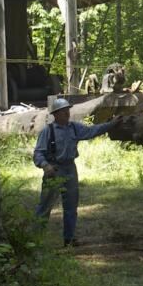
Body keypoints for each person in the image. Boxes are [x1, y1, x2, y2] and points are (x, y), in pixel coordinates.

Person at [33, 98, 121, 247]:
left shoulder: (74, 128)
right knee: (45, 206)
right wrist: (45, 166)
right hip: (54, 170)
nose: (67, 113)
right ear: (56, 114)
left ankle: (69, 238)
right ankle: (35, 240)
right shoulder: (48, 131)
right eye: (63, 111)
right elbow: (38, 154)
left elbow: (93, 130)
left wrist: (112, 124)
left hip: (70, 169)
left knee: (71, 207)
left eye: (68, 110)